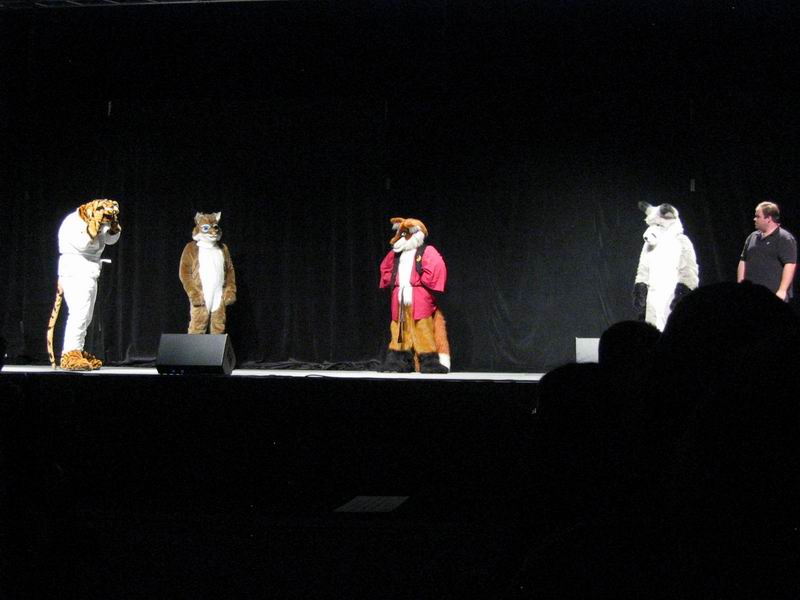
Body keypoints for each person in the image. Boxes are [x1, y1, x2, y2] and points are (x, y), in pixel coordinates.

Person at [55, 199, 121, 370]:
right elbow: (83, 244)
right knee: (79, 313)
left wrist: (113, 228)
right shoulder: (73, 221)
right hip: (75, 269)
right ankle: (70, 354)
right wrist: (94, 225)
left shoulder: (99, 220)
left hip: (90, 270)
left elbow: (110, 240)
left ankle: (77, 350)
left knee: (87, 315)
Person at [737, 201, 797, 301]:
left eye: (758, 216)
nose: (754, 219)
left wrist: (782, 290)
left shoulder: (784, 238)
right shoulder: (752, 237)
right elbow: (743, 260)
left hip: (773, 294)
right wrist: (740, 284)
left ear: (768, 218)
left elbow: (790, 264)